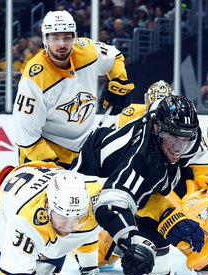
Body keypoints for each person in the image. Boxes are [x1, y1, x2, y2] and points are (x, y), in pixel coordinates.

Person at [72, 95, 206, 275]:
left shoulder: (187, 136)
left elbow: (157, 187)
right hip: (94, 179)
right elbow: (109, 205)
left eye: (184, 139)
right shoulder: (142, 159)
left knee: (158, 231)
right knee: (67, 231)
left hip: (137, 186)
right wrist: (130, 241)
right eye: (172, 138)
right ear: (157, 128)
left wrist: (172, 216)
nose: (178, 148)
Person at [108, 81, 208, 275]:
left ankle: (199, 247)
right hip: (132, 185)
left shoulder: (189, 131)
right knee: (100, 247)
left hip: (168, 187)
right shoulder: (128, 119)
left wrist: (203, 201)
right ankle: (109, 246)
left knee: (184, 221)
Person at [13, 10, 133, 169]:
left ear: (74, 38)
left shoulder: (87, 50)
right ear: (45, 40)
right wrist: (50, 164)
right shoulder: (35, 78)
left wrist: (120, 80)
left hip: (84, 150)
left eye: (67, 38)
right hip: (45, 153)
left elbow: (115, 56)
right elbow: (25, 135)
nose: (62, 44)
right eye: (55, 38)